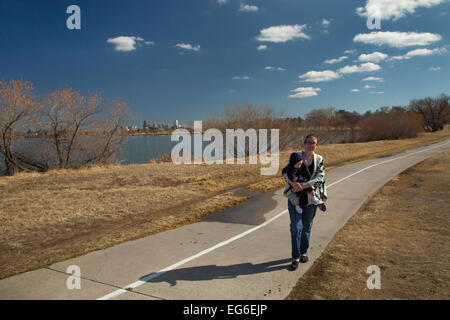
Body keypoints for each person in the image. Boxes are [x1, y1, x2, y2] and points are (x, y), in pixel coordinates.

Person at [284, 134, 327, 271]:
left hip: (310, 200)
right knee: (296, 227)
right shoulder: (296, 156)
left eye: (313, 143)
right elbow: (285, 172)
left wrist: (306, 185)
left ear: (316, 145)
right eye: (308, 142)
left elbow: (320, 176)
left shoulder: (319, 159)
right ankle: (295, 257)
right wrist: (293, 184)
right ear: (304, 143)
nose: (311, 145)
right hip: (295, 198)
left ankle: (304, 252)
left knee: (307, 227)